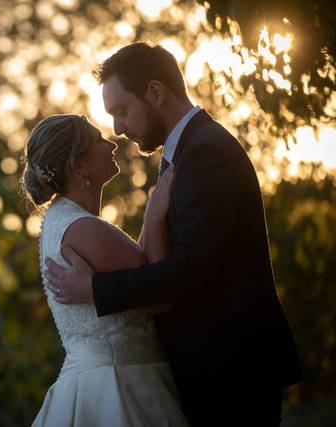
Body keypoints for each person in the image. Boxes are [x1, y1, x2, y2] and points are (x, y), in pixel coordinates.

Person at [43, 42, 302, 426]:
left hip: (231, 373)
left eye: (121, 111)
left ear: (155, 92)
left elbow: (193, 268)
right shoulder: (184, 154)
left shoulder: (204, 154)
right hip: (210, 374)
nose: (117, 129)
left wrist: (95, 290)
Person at [21, 113, 190, 426]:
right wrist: (154, 218)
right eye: (98, 140)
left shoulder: (64, 220)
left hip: (97, 379)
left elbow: (135, 265)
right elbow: (157, 295)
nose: (111, 143)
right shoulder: (83, 228)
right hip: (119, 386)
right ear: (78, 166)